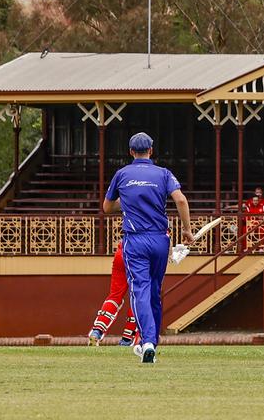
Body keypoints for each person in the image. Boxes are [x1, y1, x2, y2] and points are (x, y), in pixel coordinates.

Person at [102, 132, 193, 364]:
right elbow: (181, 200)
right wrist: (187, 230)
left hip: (135, 240)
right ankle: (152, 341)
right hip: (161, 240)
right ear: (151, 151)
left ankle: (147, 342)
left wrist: (130, 199)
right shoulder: (163, 174)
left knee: (139, 289)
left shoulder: (122, 174)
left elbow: (107, 207)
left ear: (131, 152)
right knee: (154, 291)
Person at [86, 240, 138, 347]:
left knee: (115, 296)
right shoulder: (159, 223)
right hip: (140, 255)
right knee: (138, 297)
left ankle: (97, 331)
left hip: (122, 251)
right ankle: (127, 339)